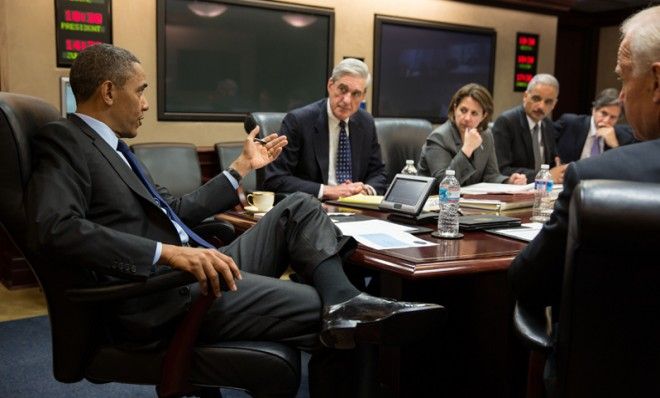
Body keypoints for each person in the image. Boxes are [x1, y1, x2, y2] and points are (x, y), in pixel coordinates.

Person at [25, 44, 442, 394]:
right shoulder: (65, 141)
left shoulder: (116, 148)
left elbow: (176, 211)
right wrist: (165, 254)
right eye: (142, 90)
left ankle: (345, 300)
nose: (147, 102)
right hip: (163, 296)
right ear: (110, 91)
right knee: (332, 318)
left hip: (203, 269)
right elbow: (55, 228)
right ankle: (346, 308)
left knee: (298, 208)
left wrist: (239, 169)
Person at [508, 1, 660, 363]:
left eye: (624, 77)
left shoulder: (597, 178)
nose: (621, 95)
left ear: (657, 82)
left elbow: (526, 282)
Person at [263, 58, 387, 200]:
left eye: (356, 94)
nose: (347, 100)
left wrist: (364, 191)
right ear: (330, 85)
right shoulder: (299, 121)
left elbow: (378, 173)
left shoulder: (366, 123)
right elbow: (276, 179)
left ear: (363, 96)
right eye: (343, 89)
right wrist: (329, 191)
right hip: (313, 208)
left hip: (356, 208)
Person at [417, 83, 527, 186]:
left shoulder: (485, 135)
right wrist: (467, 149)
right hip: (435, 203)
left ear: (483, 116)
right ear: (455, 109)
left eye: (474, 113)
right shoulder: (439, 137)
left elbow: (490, 175)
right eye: (463, 110)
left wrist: (508, 181)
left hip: (468, 202)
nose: (467, 118)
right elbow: (443, 183)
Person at [492, 73, 568, 183]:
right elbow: (501, 169)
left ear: (554, 104)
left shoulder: (548, 125)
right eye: (536, 98)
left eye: (548, 102)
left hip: (542, 190)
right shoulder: (506, 122)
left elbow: (552, 164)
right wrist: (545, 175)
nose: (541, 106)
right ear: (525, 96)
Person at [553, 87, 635, 163]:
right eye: (604, 113)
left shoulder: (625, 136)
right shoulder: (570, 123)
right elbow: (546, 141)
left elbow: (626, 167)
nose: (606, 120)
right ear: (594, 110)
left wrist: (614, 146)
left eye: (613, 117)